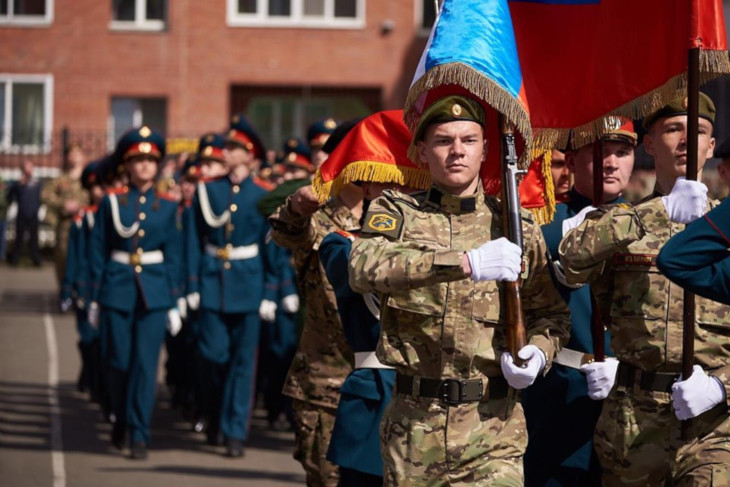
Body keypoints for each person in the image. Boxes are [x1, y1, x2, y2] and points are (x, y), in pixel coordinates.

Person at [348, 95, 571, 485]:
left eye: (468, 140)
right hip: (416, 427)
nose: (457, 151)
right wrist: (464, 263)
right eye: (443, 141)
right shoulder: (397, 214)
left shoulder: (515, 227)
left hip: (493, 428)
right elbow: (363, 267)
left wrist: (539, 353)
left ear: (486, 150)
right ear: (421, 152)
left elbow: (551, 316)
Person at [559, 93, 730, 485]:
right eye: (673, 129)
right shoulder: (621, 220)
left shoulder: (727, 223)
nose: (687, 140)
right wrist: (659, 210)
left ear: (712, 145)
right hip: (633, 420)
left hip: (715, 423)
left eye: (699, 131)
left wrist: (722, 385)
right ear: (650, 144)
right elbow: (572, 256)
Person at [315, 109, 431, 486]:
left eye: (409, 183)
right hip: (377, 397)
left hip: (433, 407)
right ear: (366, 187)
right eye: (387, 183)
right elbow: (359, 269)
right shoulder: (341, 244)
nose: (399, 194)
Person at [521, 119, 636, 487]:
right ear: (569, 163)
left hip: (633, 406)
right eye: (597, 151)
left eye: (623, 152)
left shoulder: (649, 221)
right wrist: (572, 231)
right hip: (561, 398)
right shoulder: (547, 221)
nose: (611, 163)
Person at [268, 125, 364, 487]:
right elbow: (287, 232)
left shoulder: (399, 218)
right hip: (326, 383)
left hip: (387, 383)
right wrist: (296, 206)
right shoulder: (320, 216)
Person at [88, 126, 183, 460]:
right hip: (117, 290)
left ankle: (139, 433)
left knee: (145, 367)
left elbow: (174, 255)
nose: (144, 166)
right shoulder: (113, 203)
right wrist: (95, 297)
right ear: (127, 165)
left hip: (154, 294)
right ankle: (119, 417)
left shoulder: (169, 206)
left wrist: (174, 299)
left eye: (150, 160)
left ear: (157, 166)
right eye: (138, 160)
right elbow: (98, 250)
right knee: (117, 363)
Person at [184, 115, 275, 458]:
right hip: (211, 282)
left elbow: (272, 246)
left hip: (249, 285)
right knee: (212, 355)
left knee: (243, 363)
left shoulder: (263, 194)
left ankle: (235, 430)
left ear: (250, 155)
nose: (227, 151)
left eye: (235, 147)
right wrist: (192, 283)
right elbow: (193, 239)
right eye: (228, 145)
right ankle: (213, 414)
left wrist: (270, 291)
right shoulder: (208, 190)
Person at [42, 142, 89, 285]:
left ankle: (81, 291)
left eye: (77, 153)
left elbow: (98, 196)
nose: (74, 156)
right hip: (65, 225)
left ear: (83, 157)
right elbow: (45, 195)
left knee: (84, 257)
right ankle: (65, 291)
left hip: (86, 222)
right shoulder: (60, 179)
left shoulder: (89, 178)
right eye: (71, 153)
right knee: (63, 258)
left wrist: (81, 206)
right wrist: (63, 205)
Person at [8, 160, 43, 266]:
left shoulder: (37, 183)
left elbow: (42, 197)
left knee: (34, 238)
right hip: (21, 214)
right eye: (26, 167)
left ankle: (36, 259)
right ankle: (15, 259)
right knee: (19, 237)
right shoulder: (18, 183)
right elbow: (10, 196)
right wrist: (18, 185)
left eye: (30, 167)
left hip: (33, 214)